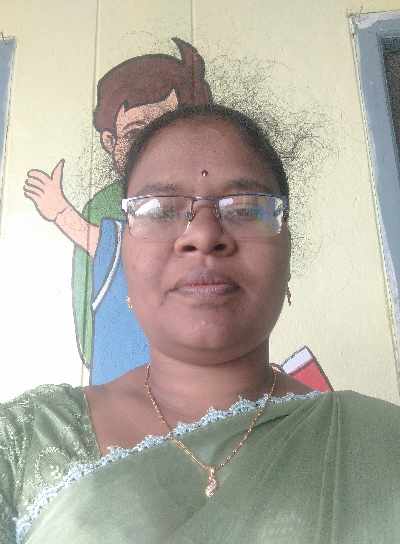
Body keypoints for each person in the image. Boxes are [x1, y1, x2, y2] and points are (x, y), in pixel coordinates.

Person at [4, 104, 400, 543]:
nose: (204, 234)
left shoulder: (382, 446)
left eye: (245, 208)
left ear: (286, 251)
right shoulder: (25, 442)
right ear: (124, 255)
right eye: (159, 209)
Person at [23, 37, 212, 370]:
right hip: (128, 355)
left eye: (166, 129)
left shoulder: (209, 192)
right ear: (110, 141)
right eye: (137, 133)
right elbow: (102, 267)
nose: (152, 145)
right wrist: (62, 213)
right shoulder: (104, 205)